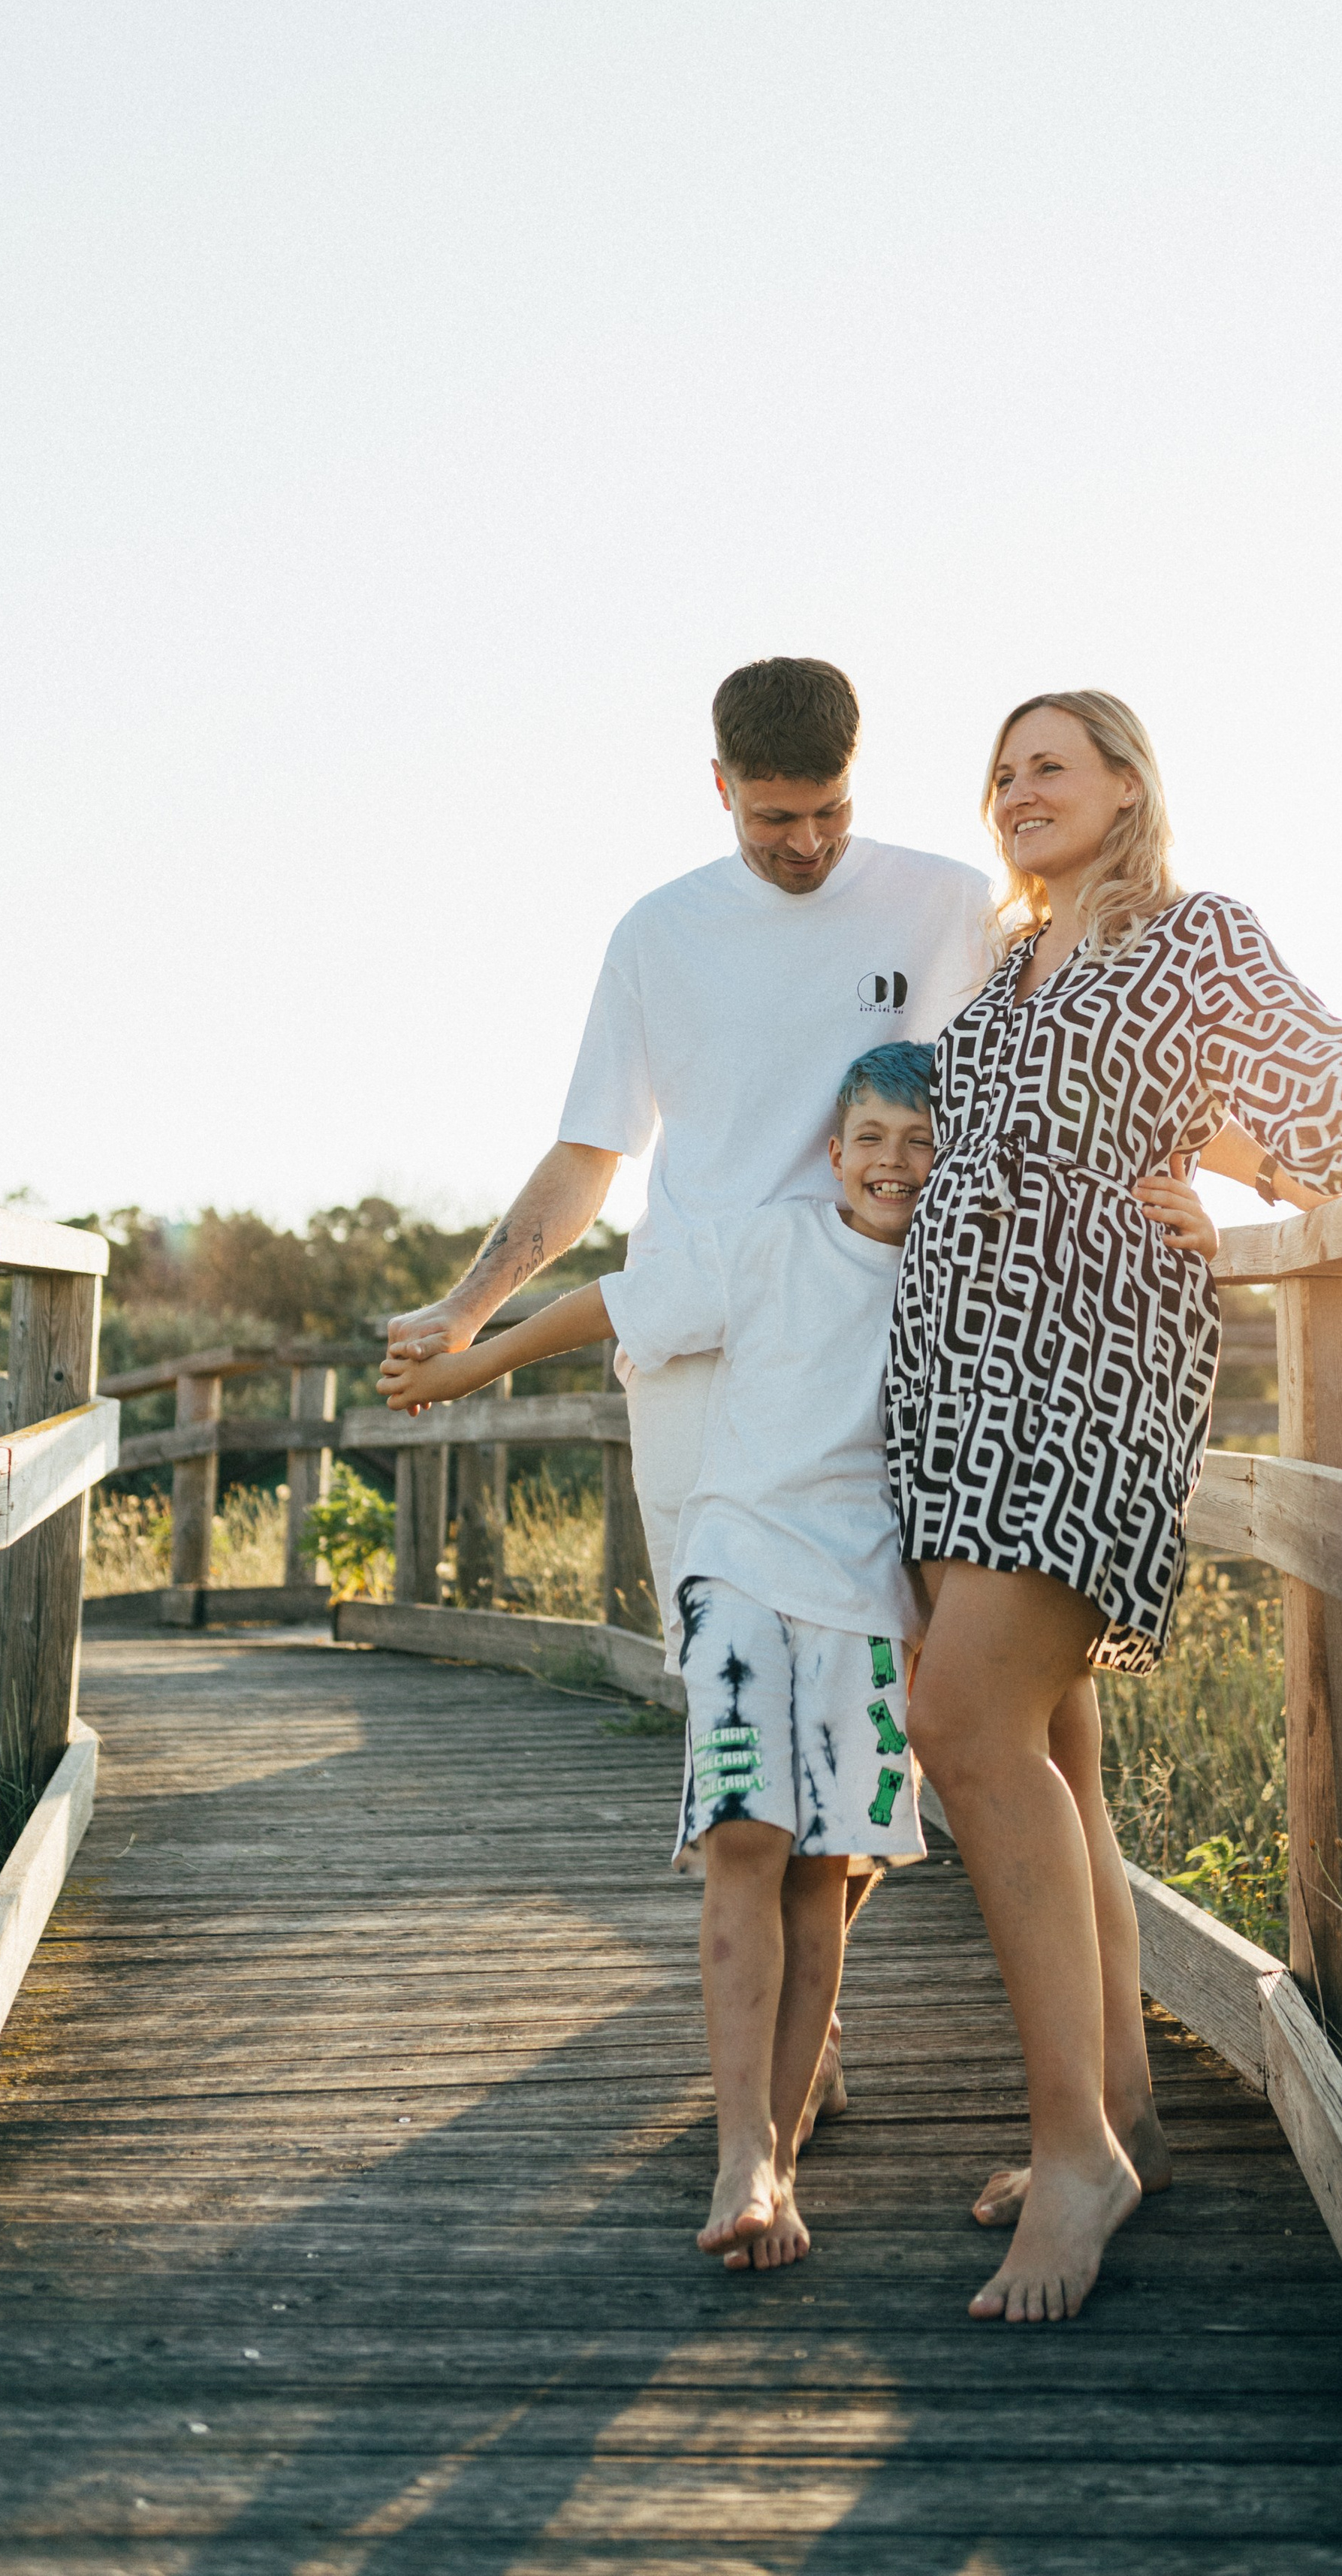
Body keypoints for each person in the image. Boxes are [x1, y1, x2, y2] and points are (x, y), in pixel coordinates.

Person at [890, 690, 1342, 2324]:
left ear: (1125, 786)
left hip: (1086, 1361)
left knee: (962, 1726)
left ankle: (1073, 2158)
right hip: (949, 1382)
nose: (1016, 789)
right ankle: (1118, 2112)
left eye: (1048, 764)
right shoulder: (1005, 959)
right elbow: (1161, 1119)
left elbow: (1309, 1054)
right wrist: (1232, 1156)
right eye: (999, 773)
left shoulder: (1189, 933)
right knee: (1046, 1754)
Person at [377, 1040, 1223, 2271]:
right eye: (870, 1140)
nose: (894, 1163)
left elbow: (1100, 1274)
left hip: (868, 1610)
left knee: (824, 1875)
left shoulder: (966, 1276)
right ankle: (742, 2155)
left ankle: (780, 2152)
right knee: (746, 1843)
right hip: (741, 1572)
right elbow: (617, 1302)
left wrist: (1197, 1219)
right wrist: (470, 1361)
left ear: (957, 1161)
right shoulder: (773, 1242)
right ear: (834, 1152)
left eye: (922, 1144)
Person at [383, 657, 991, 2127]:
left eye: (829, 811)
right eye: (774, 816)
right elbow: (590, 1149)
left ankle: (810, 2023)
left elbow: (1014, 1088)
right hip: (703, 1362)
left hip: (873, 1354)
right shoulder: (659, 934)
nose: (805, 843)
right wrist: (468, 1308)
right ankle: (777, 2047)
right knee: (737, 1709)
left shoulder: (942, 903)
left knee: (861, 1713)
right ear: (717, 785)